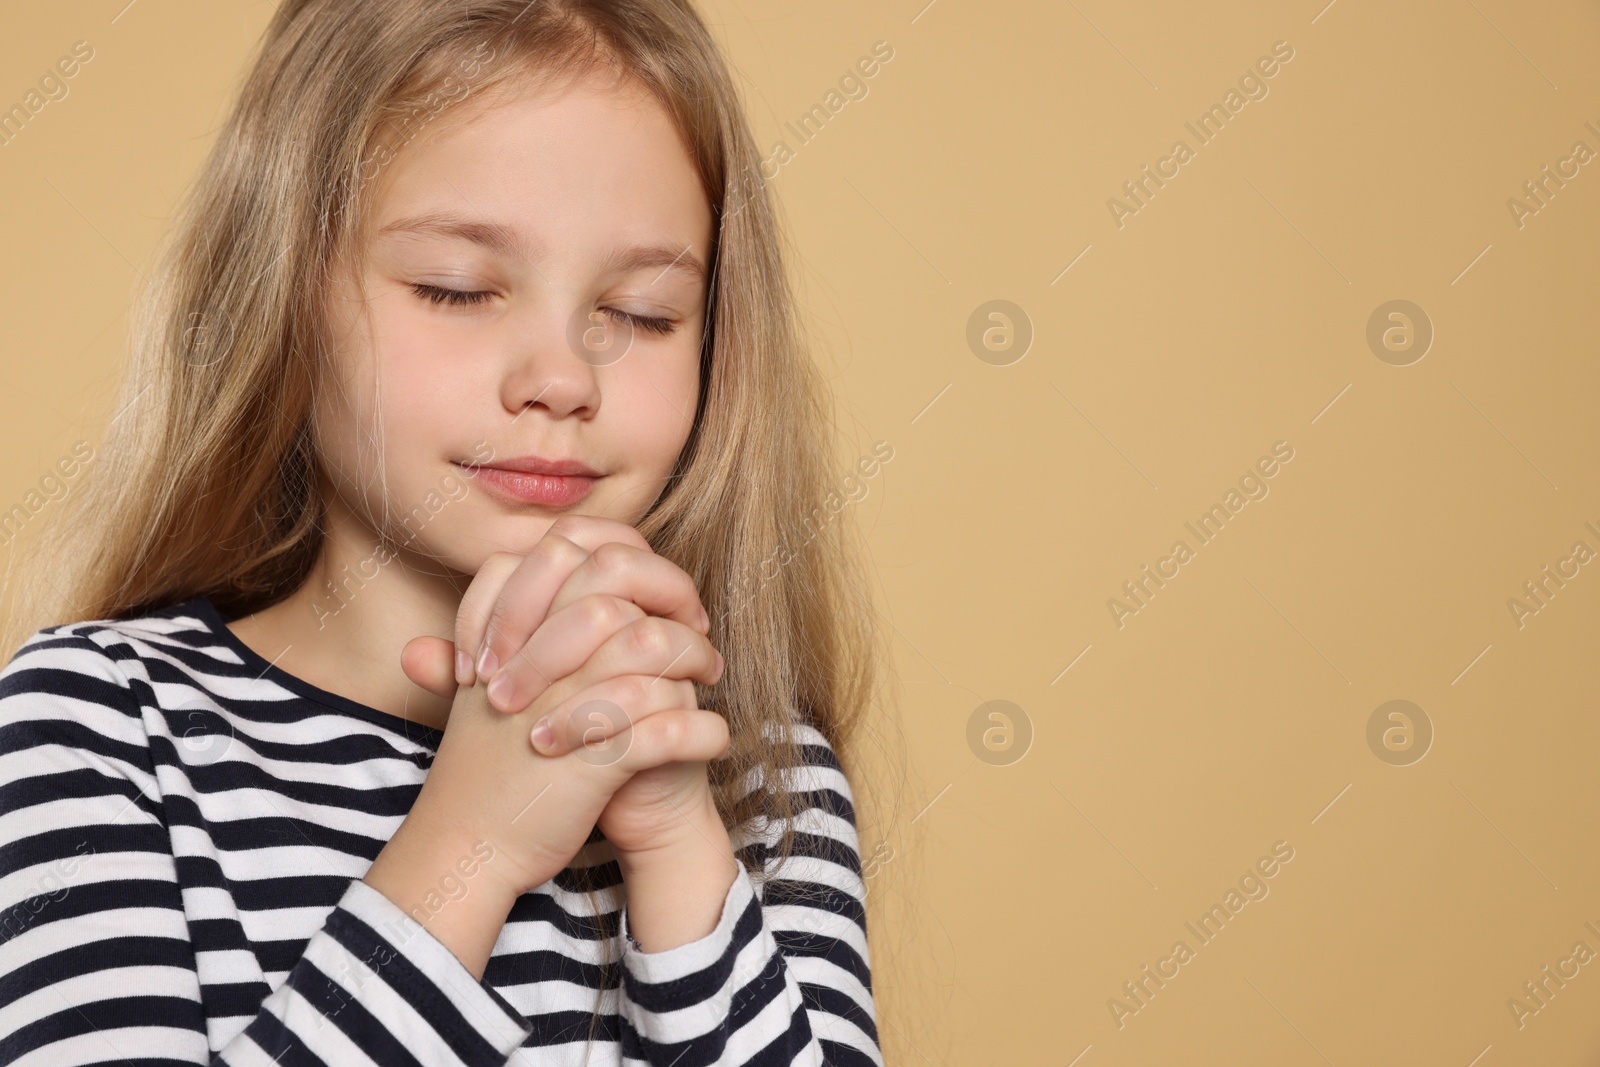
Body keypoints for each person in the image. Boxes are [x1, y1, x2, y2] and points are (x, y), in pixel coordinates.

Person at [0, 1, 887, 1063]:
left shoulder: (760, 775)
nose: (561, 377)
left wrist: (676, 846)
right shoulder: (100, 725)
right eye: (456, 290)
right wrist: (471, 843)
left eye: (644, 311)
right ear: (280, 295)